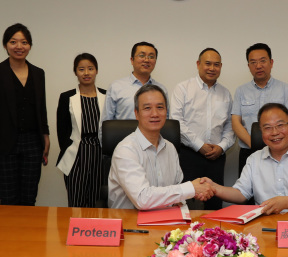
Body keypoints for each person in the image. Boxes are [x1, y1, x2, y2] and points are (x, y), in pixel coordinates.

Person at [205, 103, 288, 215]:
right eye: (267, 128)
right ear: (261, 131)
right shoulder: (254, 159)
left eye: (280, 125)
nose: (274, 132)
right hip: (264, 224)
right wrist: (213, 188)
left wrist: (283, 202)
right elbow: (240, 193)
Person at [108, 84, 215, 210]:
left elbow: (176, 194)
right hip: (130, 224)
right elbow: (142, 199)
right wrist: (191, 188)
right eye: (147, 108)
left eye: (160, 107)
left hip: (165, 222)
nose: (155, 114)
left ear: (166, 112)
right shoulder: (126, 150)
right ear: (136, 113)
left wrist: (196, 190)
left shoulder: (170, 148)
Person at [170, 48, 234, 210]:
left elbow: (230, 127)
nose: (212, 68)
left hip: (216, 157)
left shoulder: (225, 94)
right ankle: (183, 235)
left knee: (214, 201)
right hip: (188, 155)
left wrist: (222, 147)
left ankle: (214, 235)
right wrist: (199, 145)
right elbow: (177, 121)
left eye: (216, 65)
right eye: (208, 64)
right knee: (185, 202)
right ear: (198, 64)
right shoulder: (183, 88)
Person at [0, 23, 49, 206]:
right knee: (8, 196)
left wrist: (45, 135)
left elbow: (41, 108)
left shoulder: (38, 73)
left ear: (30, 46)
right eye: (13, 42)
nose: (19, 46)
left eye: (24, 42)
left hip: (32, 142)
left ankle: (27, 235)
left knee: (29, 196)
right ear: (5, 45)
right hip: (4, 142)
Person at [232, 43, 288, 176]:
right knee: (246, 194)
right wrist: (254, 145)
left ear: (271, 62)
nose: (258, 66)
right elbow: (235, 122)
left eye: (263, 61)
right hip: (248, 151)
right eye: (253, 62)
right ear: (248, 66)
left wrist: (271, 145)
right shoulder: (241, 91)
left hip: (279, 152)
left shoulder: (285, 89)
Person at [56, 53, 106, 207]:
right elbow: (62, 131)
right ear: (75, 72)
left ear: (96, 71)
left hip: (100, 154)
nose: (86, 73)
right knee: (76, 200)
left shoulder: (107, 96)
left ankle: (96, 231)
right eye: (81, 69)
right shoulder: (67, 97)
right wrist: (69, 149)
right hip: (77, 154)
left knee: (98, 201)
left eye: (90, 68)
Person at [99, 41, 168, 141]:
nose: (146, 60)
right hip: (122, 147)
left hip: (153, 147)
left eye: (151, 57)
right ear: (132, 60)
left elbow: (166, 121)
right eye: (142, 55)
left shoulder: (161, 89)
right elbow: (105, 124)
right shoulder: (116, 87)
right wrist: (106, 152)